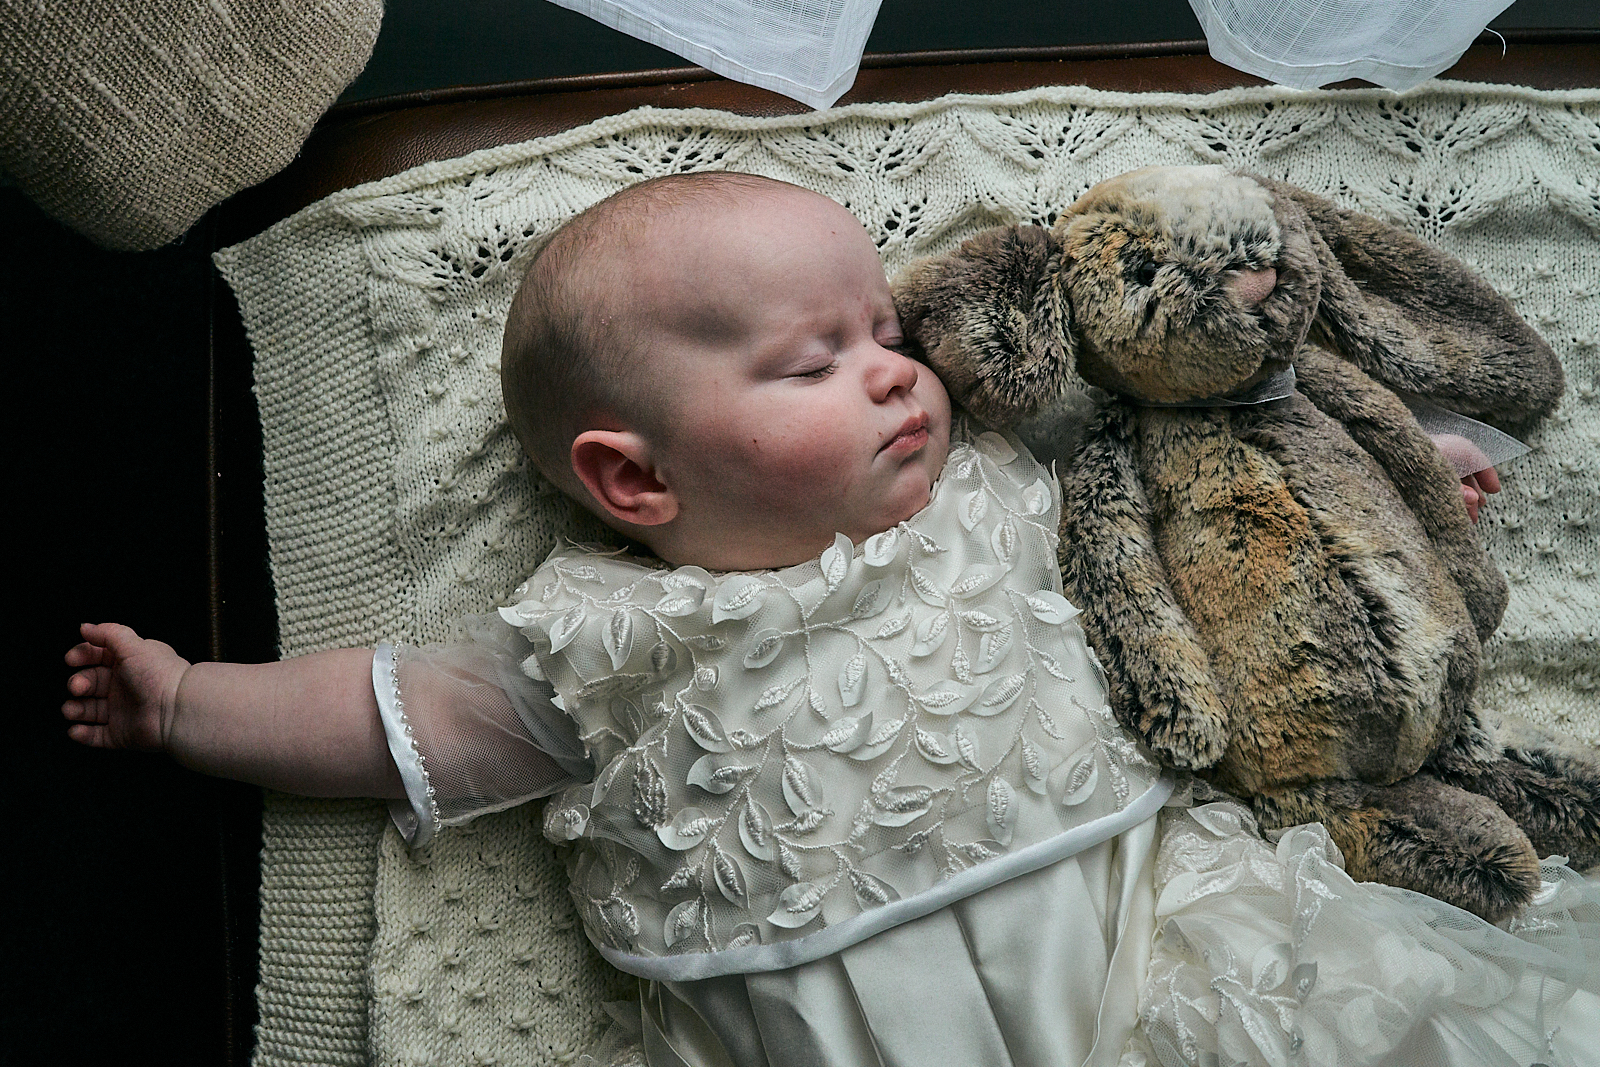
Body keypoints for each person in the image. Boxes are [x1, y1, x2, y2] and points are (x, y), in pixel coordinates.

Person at [64, 173, 1599, 1067]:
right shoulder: (598, 647)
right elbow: (376, 715)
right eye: (812, 364)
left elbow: (1216, 481)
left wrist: (1421, 466)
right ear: (635, 477)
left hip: (1167, 969)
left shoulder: (1002, 483)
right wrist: (190, 703)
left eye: (882, 332)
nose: (890, 370)